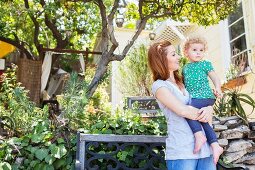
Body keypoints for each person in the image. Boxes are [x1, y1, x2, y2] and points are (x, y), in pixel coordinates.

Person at [148, 40, 216, 170]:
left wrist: (209, 108)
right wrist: (206, 111)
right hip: (182, 151)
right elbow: (183, 111)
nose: (179, 57)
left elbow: (201, 102)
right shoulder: (160, 86)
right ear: (161, 60)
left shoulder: (184, 82)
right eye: (173, 54)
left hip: (205, 149)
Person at [183, 37, 223, 164]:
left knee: (187, 111)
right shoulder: (185, 68)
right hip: (194, 98)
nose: (198, 52)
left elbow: (215, 78)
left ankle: (198, 135)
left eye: (201, 50)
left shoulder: (205, 64)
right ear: (186, 52)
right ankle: (215, 145)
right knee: (203, 120)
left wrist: (217, 88)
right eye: (194, 50)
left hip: (205, 97)